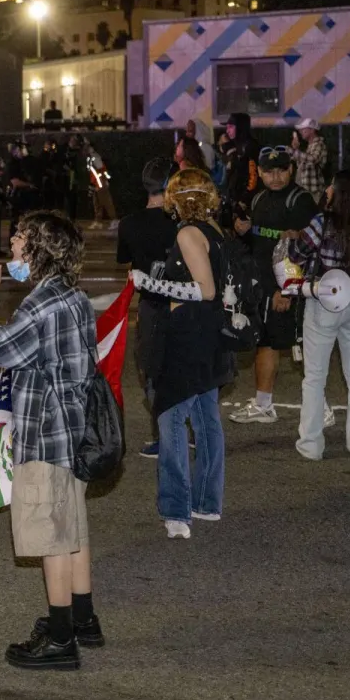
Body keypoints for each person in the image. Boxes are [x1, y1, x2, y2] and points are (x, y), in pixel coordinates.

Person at [0, 212, 98, 670]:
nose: (12, 251)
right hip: (73, 430)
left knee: (50, 538)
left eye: (19, 242)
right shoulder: (76, 298)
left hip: (44, 434)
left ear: (39, 250)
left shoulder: (39, 305)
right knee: (73, 531)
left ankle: (61, 639)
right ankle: (83, 619)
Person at [129, 167, 231, 540]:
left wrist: (150, 283)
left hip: (188, 336)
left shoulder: (188, 233)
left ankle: (176, 510)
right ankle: (207, 502)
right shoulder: (214, 231)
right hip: (209, 336)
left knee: (171, 419)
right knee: (206, 419)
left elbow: (203, 290)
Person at [289, 169, 350, 461]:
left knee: (315, 377)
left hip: (325, 302)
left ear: (339, 193)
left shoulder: (323, 222)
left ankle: (311, 444)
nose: (327, 189)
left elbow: (296, 253)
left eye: (331, 186)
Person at [227, 146, 318, 425]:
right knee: (266, 342)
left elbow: (303, 249)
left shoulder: (300, 200)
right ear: (261, 173)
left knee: (303, 348)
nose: (276, 176)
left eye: (281, 170)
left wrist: (287, 289)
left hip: (287, 288)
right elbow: (257, 242)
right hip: (264, 285)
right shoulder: (258, 200)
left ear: (291, 170)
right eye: (269, 171)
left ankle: (321, 407)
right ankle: (264, 405)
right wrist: (242, 230)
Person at [114, 157, 178, 458]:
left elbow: (125, 260)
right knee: (187, 367)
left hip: (152, 306)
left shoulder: (129, 224)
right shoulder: (184, 224)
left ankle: (165, 433)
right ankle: (186, 430)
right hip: (186, 304)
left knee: (152, 371)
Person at [219, 112, 257, 223]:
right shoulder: (237, 147)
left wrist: (244, 201)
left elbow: (253, 177)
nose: (227, 131)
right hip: (234, 201)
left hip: (246, 205)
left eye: (230, 127)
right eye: (227, 127)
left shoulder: (250, 147)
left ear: (240, 127)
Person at [291, 120, 328, 205]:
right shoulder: (310, 147)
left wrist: (294, 152)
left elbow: (313, 159)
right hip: (306, 190)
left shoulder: (319, 144)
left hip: (314, 191)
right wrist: (296, 149)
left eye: (303, 129)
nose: (300, 132)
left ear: (312, 130)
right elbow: (302, 165)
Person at [83, 141, 118, 230]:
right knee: (97, 202)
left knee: (105, 201)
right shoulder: (91, 158)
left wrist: (99, 183)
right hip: (97, 182)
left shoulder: (95, 157)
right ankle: (98, 221)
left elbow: (100, 171)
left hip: (99, 182)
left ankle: (114, 220)